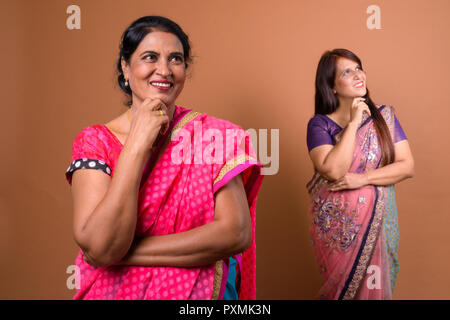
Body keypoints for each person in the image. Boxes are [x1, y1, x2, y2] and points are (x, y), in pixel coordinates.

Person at [65, 16, 263, 300]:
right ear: (125, 66)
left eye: (176, 59)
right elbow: (100, 244)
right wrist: (136, 144)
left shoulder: (215, 136)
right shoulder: (95, 141)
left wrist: (123, 256)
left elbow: (235, 234)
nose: (164, 70)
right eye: (150, 57)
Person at [306, 49, 414, 299]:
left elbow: (407, 165)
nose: (357, 75)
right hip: (337, 231)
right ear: (331, 86)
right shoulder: (320, 125)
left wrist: (363, 179)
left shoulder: (383, 118)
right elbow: (334, 170)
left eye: (358, 68)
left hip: (377, 224)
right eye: (346, 71)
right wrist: (354, 123)